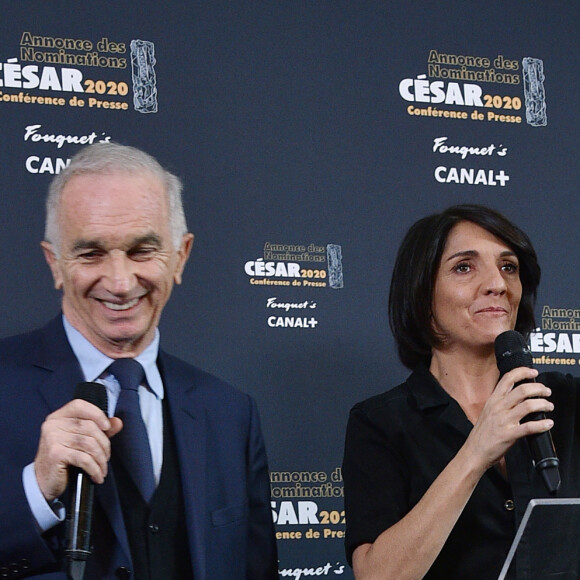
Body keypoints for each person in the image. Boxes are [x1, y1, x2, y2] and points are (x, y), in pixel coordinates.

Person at [0, 143, 278, 579]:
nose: (120, 281)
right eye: (91, 253)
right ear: (55, 264)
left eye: (141, 251)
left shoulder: (229, 412)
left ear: (181, 256)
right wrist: (35, 491)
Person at [342, 204, 580, 579]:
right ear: (422, 293)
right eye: (464, 267)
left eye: (508, 267)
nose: (497, 284)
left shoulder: (568, 402)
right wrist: (476, 452)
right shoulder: (381, 423)